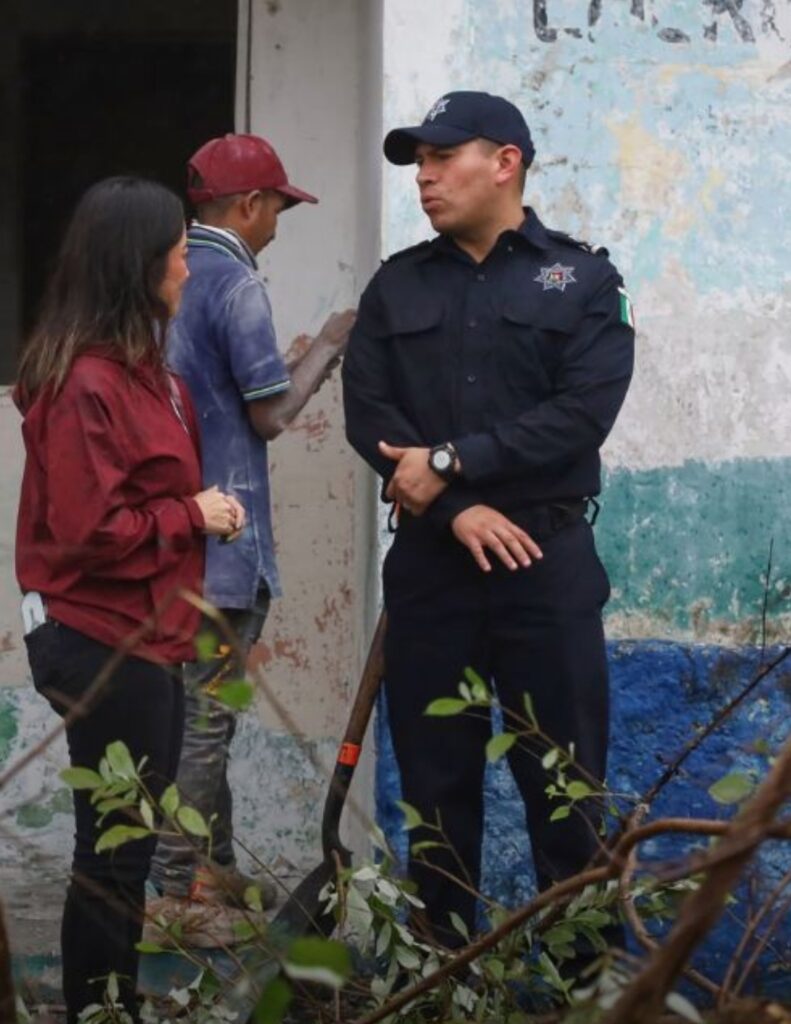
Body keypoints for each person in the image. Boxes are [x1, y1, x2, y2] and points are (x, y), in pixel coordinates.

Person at [342, 91, 635, 949]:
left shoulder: (582, 281)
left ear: (504, 162)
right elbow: (369, 417)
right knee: (434, 798)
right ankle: (443, 984)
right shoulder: (398, 284)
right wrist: (455, 509)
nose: (424, 177)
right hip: (433, 568)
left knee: (566, 792)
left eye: (442, 157)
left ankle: (586, 990)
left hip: (545, 561)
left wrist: (448, 463)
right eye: (418, 163)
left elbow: (579, 415)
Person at [15, 176, 244, 1022]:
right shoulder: (86, 383)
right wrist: (191, 514)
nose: (188, 268)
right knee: (113, 853)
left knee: (128, 846)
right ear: (138, 265)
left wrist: (196, 512)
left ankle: (108, 1006)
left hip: (148, 635)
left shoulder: (147, 374)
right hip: (103, 637)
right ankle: (100, 1010)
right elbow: (88, 530)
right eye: (179, 254)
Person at [147, 134, 355, 928]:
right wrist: (329, 343)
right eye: (276, 210)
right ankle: (176, 888)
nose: (275, 226)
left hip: (170, 538)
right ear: (248, 205)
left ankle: (216, 866)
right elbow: (269, 415)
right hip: (225, 546)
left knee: (199, 711)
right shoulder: (235, 283)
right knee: (207, 723)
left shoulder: (161, 272)